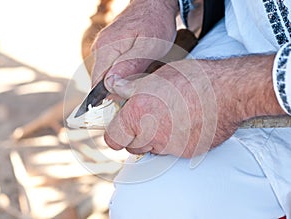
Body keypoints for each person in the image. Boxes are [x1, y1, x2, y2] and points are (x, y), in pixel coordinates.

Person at [83, 0, 291, 218]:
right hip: (240, 28)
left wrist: (231, 90)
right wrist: (156, 5)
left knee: (160, 206)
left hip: (277, 80)